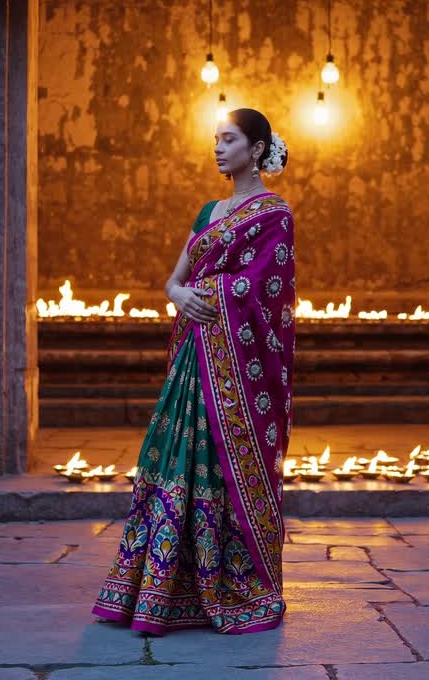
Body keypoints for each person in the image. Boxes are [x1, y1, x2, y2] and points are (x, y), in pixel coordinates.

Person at [92, 108, 295, 635]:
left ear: (256, 149)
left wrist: (202, 294)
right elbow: (174, 281)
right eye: (215, 139)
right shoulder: (208, 213)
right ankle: (159, 587)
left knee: (219, 462)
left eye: (229, 140)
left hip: (234, 366)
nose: (218, 148)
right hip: (193, 356)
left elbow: (260, 290)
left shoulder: (275, 214)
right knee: (173, 456)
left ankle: (229, 583)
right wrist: (181, 293)